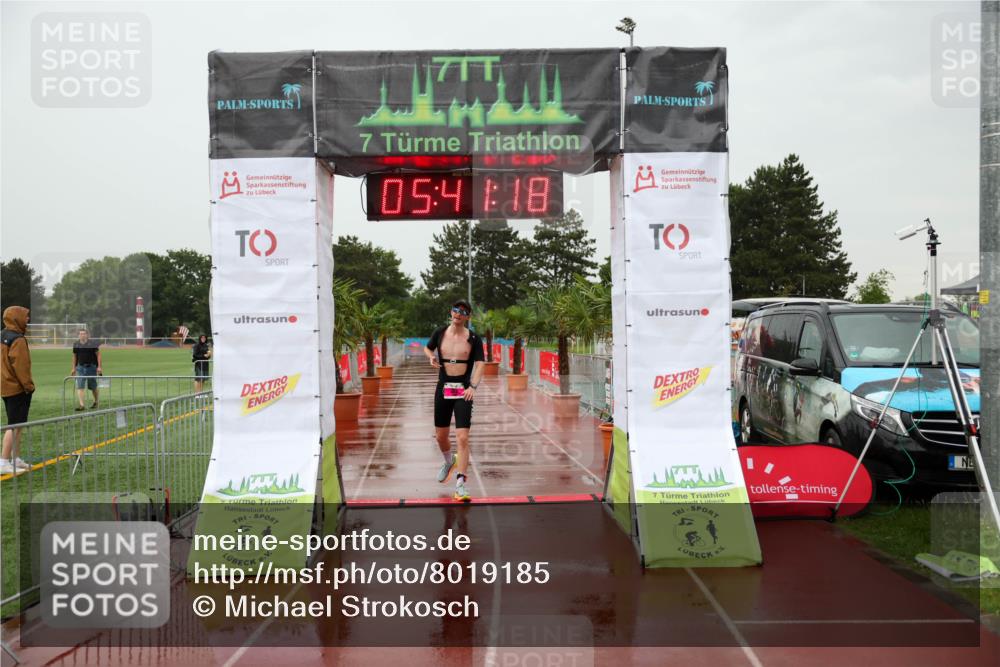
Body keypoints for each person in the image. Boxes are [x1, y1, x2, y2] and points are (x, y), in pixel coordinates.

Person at [425, 300, 485, 502]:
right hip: (443, 389)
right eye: (455, 310)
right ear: (451, 312)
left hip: (463, 391)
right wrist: (431, 357)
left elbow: (480, 364)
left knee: (462, 438)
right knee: (441, 437)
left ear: (468, 317)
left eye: (463, 312)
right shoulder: (439, 333)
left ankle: (461, 485)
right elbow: (428, 348)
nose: (458, 314)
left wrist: (473, 387)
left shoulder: (474, 338)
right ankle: (449, 461)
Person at [1, 306, 35, 475]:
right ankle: (4, 461)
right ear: (17, 318)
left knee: (18, 424)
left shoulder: (3, 335)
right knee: (14, 425)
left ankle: (15, 458)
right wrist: (29, 386)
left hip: (5, 386)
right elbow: (21, 366)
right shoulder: (18, 339)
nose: (28, 319)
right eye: (25, 316)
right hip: (17, 388)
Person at [71, 329, 102, 410]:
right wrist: (73, 368)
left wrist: (99, 367)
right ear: (78, 335)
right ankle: (82, 405)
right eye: (81, 334)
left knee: (93, 387)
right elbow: (74, 356)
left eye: (84, 334)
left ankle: (96, 401)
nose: (82, 335)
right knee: (80, 386)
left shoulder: (92, 344)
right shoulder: (76, 344)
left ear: (87, 335)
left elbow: (98, 355)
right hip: (80, 368)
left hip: (91, 367)